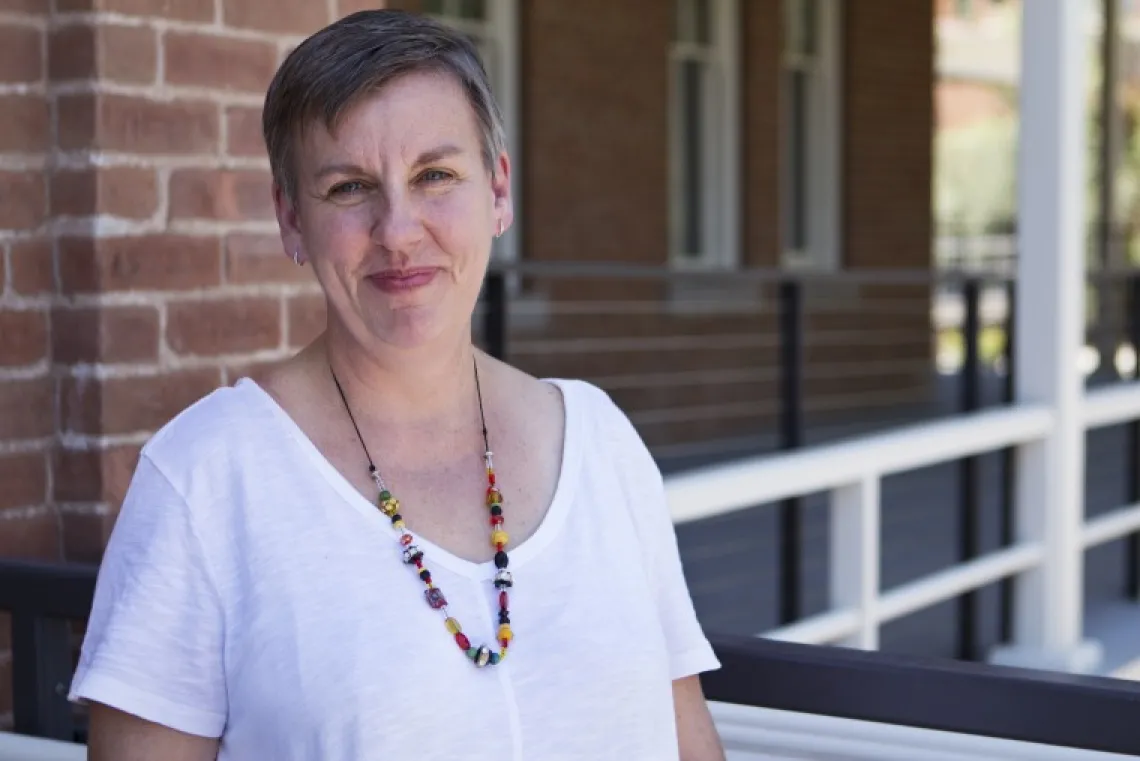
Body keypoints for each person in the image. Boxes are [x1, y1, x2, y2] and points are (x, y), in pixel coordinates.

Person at [68, 9, 725, 760]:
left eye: (435, 174)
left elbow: (688, 739)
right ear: (290, 220)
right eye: (349, 187)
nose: (399, 230)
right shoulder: (205, 479)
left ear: (499, 189)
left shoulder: (600, 441)